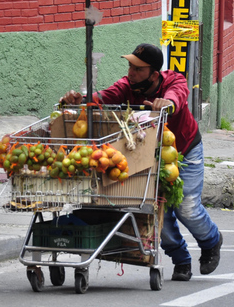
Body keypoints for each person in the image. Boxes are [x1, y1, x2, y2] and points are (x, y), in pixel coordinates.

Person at [60, 43, 222, 281]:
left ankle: (211, 241)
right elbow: (102, 97)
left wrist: (167, 103)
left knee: (187, 208)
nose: (131, 72)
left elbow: (177, 94)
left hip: (185, 152)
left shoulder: (172, 81)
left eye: (137, 68)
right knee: (156, 210)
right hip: (149, 156)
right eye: (130, 66)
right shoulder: (127, 87)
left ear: (154, 74)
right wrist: (79, 100)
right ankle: (181, 260)